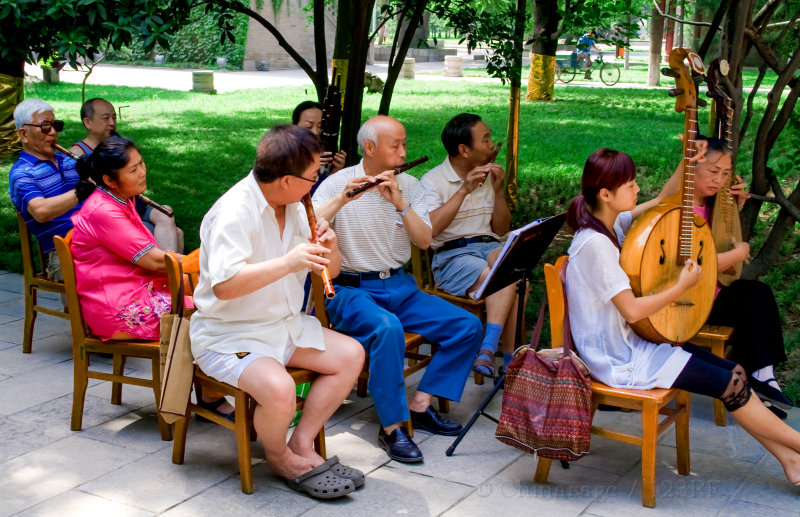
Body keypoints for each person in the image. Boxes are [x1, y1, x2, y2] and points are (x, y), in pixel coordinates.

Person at [565, 148, 800, 488]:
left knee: (734, 372)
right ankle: (796, 449)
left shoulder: (609, 224)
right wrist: (681, 286)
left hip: (636, 345)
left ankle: (791, 460)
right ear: (605, 194)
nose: (637, 190)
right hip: (619, 359)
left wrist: (687, 160)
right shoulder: (594, 244)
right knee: (730, 383)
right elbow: (631, 309)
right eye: (630, 185)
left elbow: (664, 197)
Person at [189, 125, 365, 499]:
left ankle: (302, 444)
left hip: (282, 325)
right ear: (286, 180)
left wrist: (330, 247)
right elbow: (225, 285)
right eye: (312, 176)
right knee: (281, 388)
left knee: (351, 354)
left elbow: (330, 272)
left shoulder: (294, 205)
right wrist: (288, 263)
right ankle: (278, 455)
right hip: (227, 333)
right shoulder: (235, 212)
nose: (316, 183)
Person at [312, 115, 483, 463]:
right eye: (397, 145)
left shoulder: (413, 187)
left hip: (400, 286)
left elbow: (424, 241)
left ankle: (420, 404)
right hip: (351, 290)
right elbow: (310, 227)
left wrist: (400, 203)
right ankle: (393, 427)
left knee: (467, 326)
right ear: (370, 148)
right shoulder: (337, 184)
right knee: (387, 330)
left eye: (405, 144)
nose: (405, 152)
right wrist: (344, 198)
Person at [677, 136, 792, 415]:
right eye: (713, 172)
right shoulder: (682, 211)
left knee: (754, 294)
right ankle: (757, 381)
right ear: (691, 170)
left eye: (726, 174)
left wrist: (734, 208)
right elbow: (697, 264)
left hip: (712, 292)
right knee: (752, 296)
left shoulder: (710, 203)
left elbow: (721, 239)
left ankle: (762, 376)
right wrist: (739, 253)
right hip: (687, 303)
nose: (720, 180)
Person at [420, 113, 517, 378]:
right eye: (485, 140)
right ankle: (496, 353)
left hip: (488, 246)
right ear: (464, 150)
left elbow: (500, 229)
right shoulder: (432, 181)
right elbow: (430, 230)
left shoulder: (488, 177)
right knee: (501, 276)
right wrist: (463, 190)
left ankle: (504, 359)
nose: (491, 145)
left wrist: (498, 191)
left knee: (513, 271)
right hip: (452, 256)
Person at [71, 136, 182, 341]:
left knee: (213, 301)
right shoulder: (103, 210)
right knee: (206, 311)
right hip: (117, 308)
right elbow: (155, 260)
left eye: (141, 163)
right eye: (133, 170)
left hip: (135, 290)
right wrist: (207, 260)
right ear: (109, 180)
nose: (142, 172)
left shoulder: (120, 199)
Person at [69, 97, 184, 253]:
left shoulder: (117, 144)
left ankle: (171, 272)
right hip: (113, 215)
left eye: (114, 118)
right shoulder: (76, 155)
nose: (112, 123)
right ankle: (170, 271)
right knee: (176, 233)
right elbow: (84, 199)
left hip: (135, 203)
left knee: (166, 213)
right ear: (87, 122)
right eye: (105, 118)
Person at [9, 99, 92, 281]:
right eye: (45, 127)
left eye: (56, 125)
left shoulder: (68, 161)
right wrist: (81, 191)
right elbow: (41, 211)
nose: (54, 132)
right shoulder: (22, 173)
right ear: (24, 134)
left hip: (94, 236)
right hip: (63, 251)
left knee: (148, 237)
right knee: (129, 261)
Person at [292, 100, 347, 177]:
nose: (315, 132)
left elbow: (324, 187)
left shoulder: (324, 152)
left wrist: (334, 172)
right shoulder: (283, 154)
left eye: (321, 126)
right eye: (308, 127)